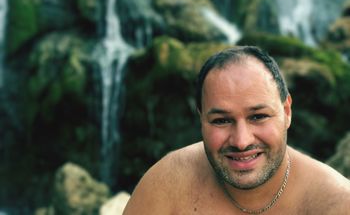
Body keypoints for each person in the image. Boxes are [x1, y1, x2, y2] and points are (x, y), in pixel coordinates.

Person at [123, 46, 350, 214]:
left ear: (287, 112)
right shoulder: (167, 185)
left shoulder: (335, 203)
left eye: (258, 117)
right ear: (201, 118)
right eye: (221, 121)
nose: (241, 141)